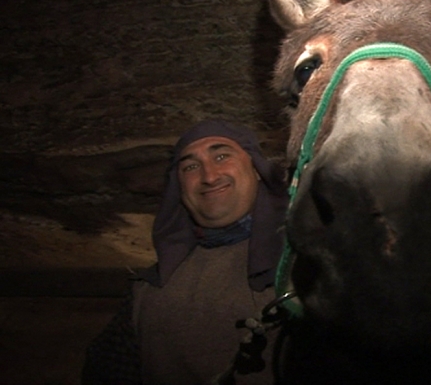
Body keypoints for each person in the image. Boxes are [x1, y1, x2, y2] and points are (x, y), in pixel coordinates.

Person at [82, 120, 289, 385]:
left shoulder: (306, 269)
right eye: (191, 166)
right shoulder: (148, 293)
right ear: (179, 187)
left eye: (222, 156)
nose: (209, 176)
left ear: (257, 168)